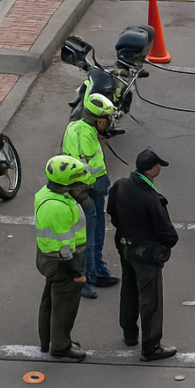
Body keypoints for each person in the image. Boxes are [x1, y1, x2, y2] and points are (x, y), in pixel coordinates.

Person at [107, 150, 178, 361]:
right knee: (150, 299)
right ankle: (151, 346)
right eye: (159, 165)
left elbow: (112, 212)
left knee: (128, 289)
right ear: (151, 169)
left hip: (125, 245)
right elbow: (168, 234)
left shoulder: (120, 185)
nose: (160, 168)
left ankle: (129, 333)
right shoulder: (151, 198)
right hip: (146, 253)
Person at [34, 155, 90, 361]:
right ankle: (60, 346)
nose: (81, 186)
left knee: (50, 299)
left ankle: (48, 340)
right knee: (64, 305)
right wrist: (75, 273)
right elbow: (65, 248)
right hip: (61, 261)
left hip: (48, 257)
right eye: (77, 183)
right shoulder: (58, 208)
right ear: (66, 185)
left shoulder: (46, 193)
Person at [62, 93, 118, 299]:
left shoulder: (82, 128)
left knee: (97, 233)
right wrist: (98, 184)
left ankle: (97, 270)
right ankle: (83, 278)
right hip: (86, 191)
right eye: (108, 120)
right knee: (86, 238)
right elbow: (83, 171)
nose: (109, 124)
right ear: (99, 120)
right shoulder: (83, 135)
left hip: (94, 190)